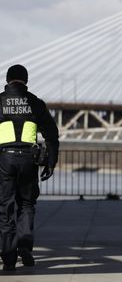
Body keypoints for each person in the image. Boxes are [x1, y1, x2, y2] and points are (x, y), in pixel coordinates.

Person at [0, 64, 59, 271]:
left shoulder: (0, 101)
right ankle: (24, 246)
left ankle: (8, 257)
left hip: (4, 161)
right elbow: (52, 134)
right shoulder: (35, 103)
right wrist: (51, 162)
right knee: (26, 205)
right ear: (26, 80)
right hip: (28, 160)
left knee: (4, 208)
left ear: (7, 80)